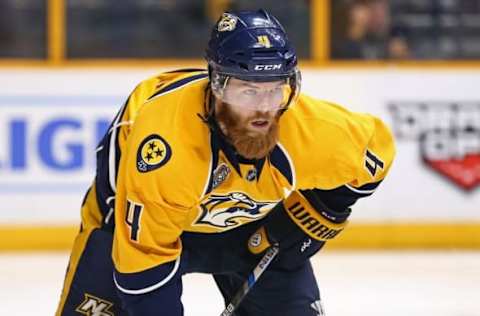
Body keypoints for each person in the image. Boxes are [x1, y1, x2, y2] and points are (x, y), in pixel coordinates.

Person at [56, 9, 395, 316]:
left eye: (275, 89)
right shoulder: (166, 147)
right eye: (247, 91)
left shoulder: (309, 127)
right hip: (130, 226)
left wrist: (315, 214)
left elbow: (377, 152)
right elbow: (143, 263)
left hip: (251, 227)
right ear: (217, 85)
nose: (263, 109)